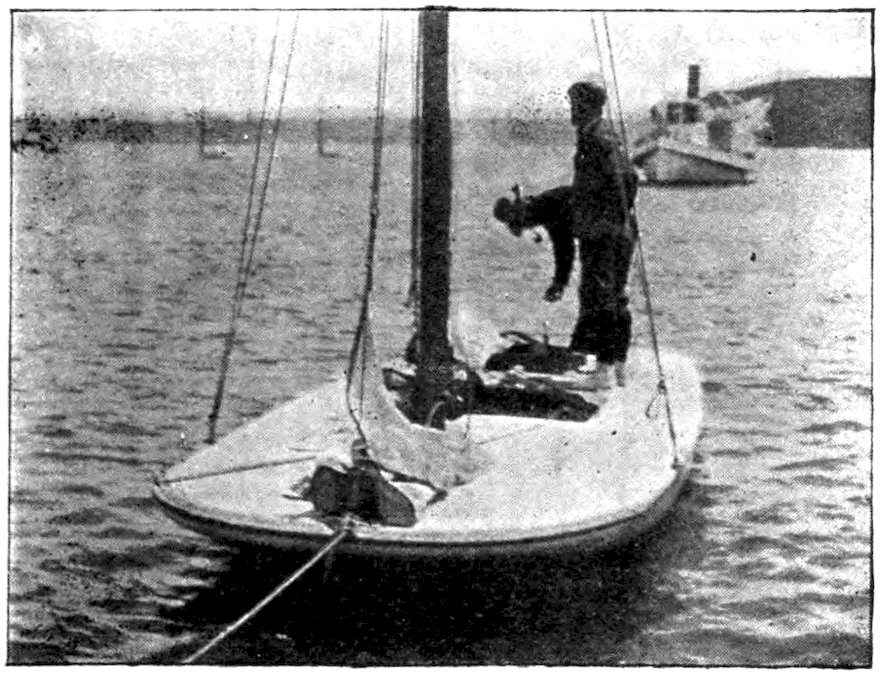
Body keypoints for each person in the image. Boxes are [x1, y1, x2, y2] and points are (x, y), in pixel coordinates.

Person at [493, 81, 638, 387]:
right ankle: (616, 365)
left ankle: (604, 370)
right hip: (609, 230)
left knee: (601, 297)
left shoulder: (598, 138)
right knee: (610, 296)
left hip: (605, 233)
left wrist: (607, 219)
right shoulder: (594, 137)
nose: (572, 112)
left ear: (588, 107)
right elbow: (564, 246)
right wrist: (560, 282)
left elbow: (628, 178)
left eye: (575, 105)